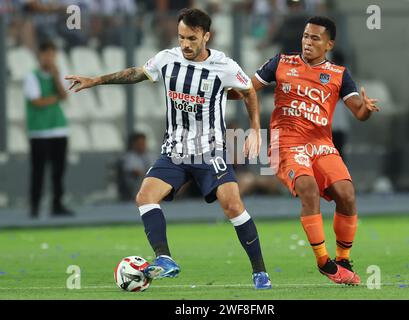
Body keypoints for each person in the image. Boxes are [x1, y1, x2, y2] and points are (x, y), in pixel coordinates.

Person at [65, 8, 272, 290]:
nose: (185, 44)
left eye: (191, 38)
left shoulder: (224, 66)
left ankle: (260, 272)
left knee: (233, 206)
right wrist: (97, 80)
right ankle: (164, 258)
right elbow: (136, 73)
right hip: (174, 152)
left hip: (210, 153)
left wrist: (254, 129)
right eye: (181, 37)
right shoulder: (167, 59)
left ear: (206, 36)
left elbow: (248, 90)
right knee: (145, 196)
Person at [232, 16, 380, 285]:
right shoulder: (280, 63)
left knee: (346, 194)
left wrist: (367, 109)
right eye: (305, 36)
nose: (307, 42)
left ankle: (343, 259)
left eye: (315, 38)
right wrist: (221, 88)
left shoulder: (338, 74)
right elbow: (246, 89)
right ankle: (324, 262)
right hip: (285, 142)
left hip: (321, 144)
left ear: (329, 44)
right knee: (308, 188)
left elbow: (358, 111)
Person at [24, 40, 73, 218]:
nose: (50, 58)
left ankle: (57, 205)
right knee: (38, 171)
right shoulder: (31, 76)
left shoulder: (58, 74)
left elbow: (63, 95)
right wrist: (54, 99)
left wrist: (55, 78)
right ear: (40, 56)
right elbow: (37, 102)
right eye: (47, 54)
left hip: (59, 129)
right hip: (39, 131)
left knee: (58, 171)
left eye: (53, 54)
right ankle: (35, 206)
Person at [118, 132, 155, 201]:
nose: (142, 146)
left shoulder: (151, 156)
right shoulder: (128, 157)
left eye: (143, 143)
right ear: (134, 144)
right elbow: (135, 172)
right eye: (139, 144)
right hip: (136, 186)